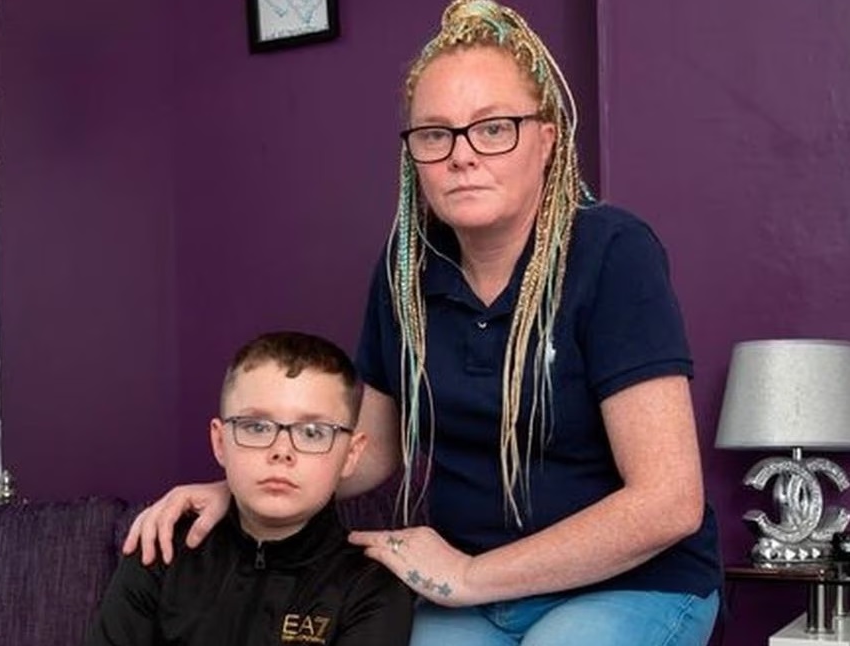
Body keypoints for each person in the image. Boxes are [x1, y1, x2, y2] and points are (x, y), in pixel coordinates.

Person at [121, 1, 722, 644]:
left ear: (546, 140)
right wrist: (241, 489)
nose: (462, 155)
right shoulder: (406, 271)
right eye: (435, 134)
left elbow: (668, 502)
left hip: (627, 584)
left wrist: (469, 575)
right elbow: (370, 451)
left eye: (494, 128)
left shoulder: (611, 252)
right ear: (414, 155)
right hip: (475, 595)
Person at [86, 331, 414, 646]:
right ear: (220, 442)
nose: (282, 451)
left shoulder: (371, 586)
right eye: (256, 427)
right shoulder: (162, 548)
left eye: (313, 432)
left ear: (351, 455)